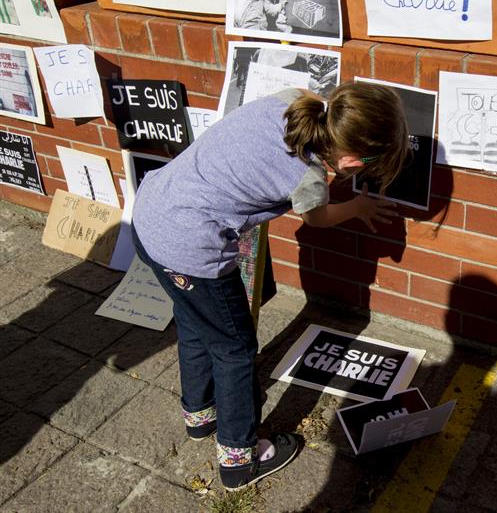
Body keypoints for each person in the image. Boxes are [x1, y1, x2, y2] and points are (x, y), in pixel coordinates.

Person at [130, 82, 409, 491]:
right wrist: (357, 206)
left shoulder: (291, 99)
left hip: (150, 215)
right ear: (350, 161)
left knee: (195, 323)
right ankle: (239, 459)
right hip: (191, 247)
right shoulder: (309, 177)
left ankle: (200, 414)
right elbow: (317, 219)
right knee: (235, 349)